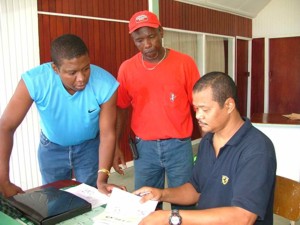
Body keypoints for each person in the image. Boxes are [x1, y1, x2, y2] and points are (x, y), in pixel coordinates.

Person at [134, 72, 277, 225]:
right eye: (196, 109)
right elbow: (195, 191)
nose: (198, 116)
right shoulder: (209, 140)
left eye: (205, 109)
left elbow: (243, 217)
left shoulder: (257, 149)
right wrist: (161, 194)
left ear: (229, 105)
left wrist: (171, 216)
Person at [0, 34, 120, 197]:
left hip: (89, 148)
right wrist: (3, 181)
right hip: (51, 148)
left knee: (92, 197)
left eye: (86, 68)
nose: (81, 78)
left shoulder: (105, 83)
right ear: (55, 69)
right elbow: (5, 127)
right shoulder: (35, 81)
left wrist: (102, 178)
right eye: (72, 72)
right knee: (54, 199)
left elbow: (107, 134)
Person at [114, 10, 201, 209]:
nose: (146, 44)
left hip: (179, 147)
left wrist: (209, 143)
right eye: (139, 40)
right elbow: (121, 108)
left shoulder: (184, 63)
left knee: (185, 205)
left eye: (151, 36)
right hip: (145, 150)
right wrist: (117, 145)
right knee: (146, 207)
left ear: (161, 32)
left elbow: (199, 106)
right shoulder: (127, 69)